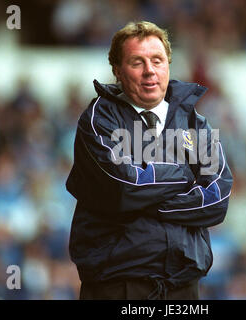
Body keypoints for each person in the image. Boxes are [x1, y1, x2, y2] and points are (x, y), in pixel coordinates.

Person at [66, 21, 233, 300]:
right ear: (117, 71)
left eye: (157, 60)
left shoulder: (196, 124)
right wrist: (185, 176)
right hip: (117, 284)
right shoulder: (98, 119)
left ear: (168, 64)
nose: (149, 71)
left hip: (183, 286)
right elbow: (123, 186)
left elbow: (217, 199)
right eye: (137, 62)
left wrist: (146, 202)